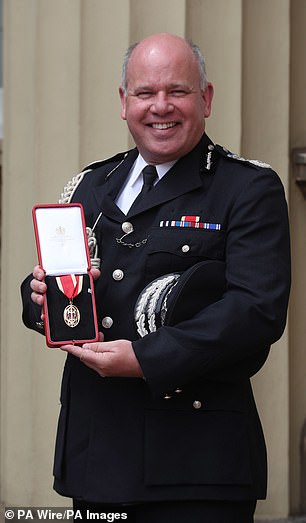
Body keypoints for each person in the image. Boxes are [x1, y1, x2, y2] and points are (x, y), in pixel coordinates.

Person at [21, 33, 291, 522]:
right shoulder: (90, 184)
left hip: (193, 464)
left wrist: (145, 358)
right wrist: (38, 295)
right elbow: (68, 287)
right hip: (96, 455)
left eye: (178, 91)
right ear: (124, 103)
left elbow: (255, 311)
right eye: (145, 93)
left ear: (205, 99)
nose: (159, 107)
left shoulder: (246, 188)